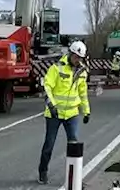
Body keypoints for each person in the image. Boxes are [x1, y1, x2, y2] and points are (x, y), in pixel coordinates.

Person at [37, 40, 90, 185]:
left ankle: (75, 179)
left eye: (80, 58)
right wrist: (52, 106)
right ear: (70, 54)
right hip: (54, 114)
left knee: (73, 144)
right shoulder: (57, 68)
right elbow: (47, 86)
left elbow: (83, 92)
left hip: (72, 114)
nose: (77, 60)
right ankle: (43, 171)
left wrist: (86, 111)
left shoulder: (82, 72)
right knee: (49, 144)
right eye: (76, 57)